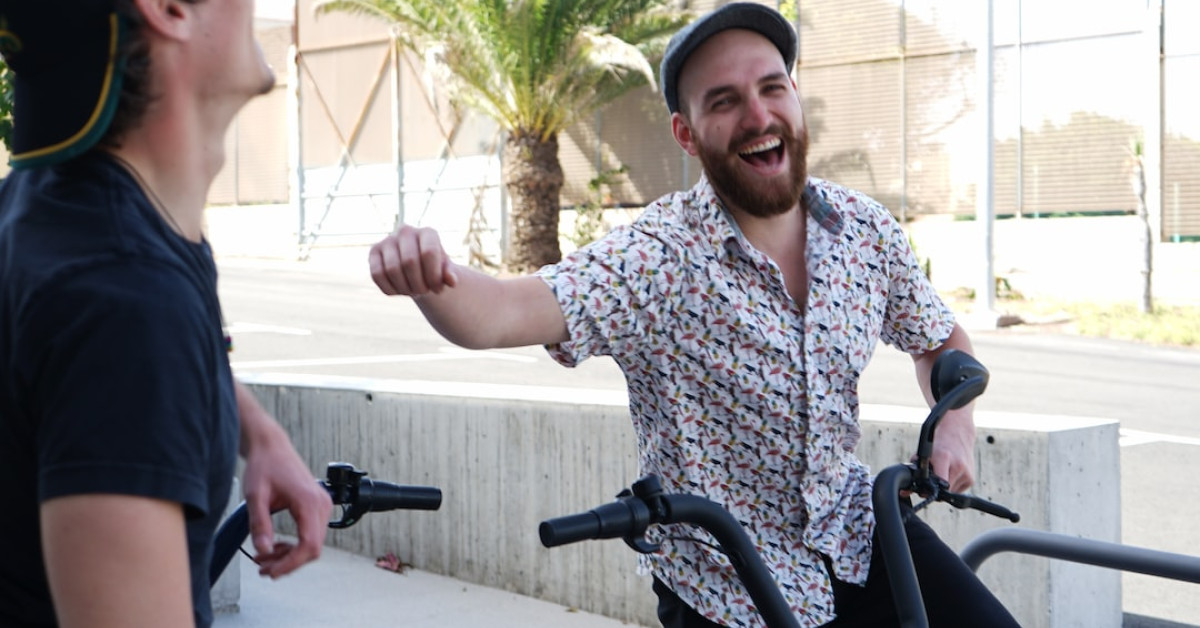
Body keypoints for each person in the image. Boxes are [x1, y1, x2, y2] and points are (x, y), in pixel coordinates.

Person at [366, 3, 1017, 627]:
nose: (758, 115)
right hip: (728, 586)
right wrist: (432, 277)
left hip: (858, 539)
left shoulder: (862, 232)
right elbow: (501, 314)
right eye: (725, 101)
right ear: (687, 132)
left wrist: (955, 428)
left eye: (772, 88)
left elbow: (940, 341)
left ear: (795, 95)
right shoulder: (663, 256)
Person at [0, 1, 333, 627]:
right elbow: (122, 344)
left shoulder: (54, 208)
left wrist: (257, 431)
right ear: (170, 10)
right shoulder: (121, 299)